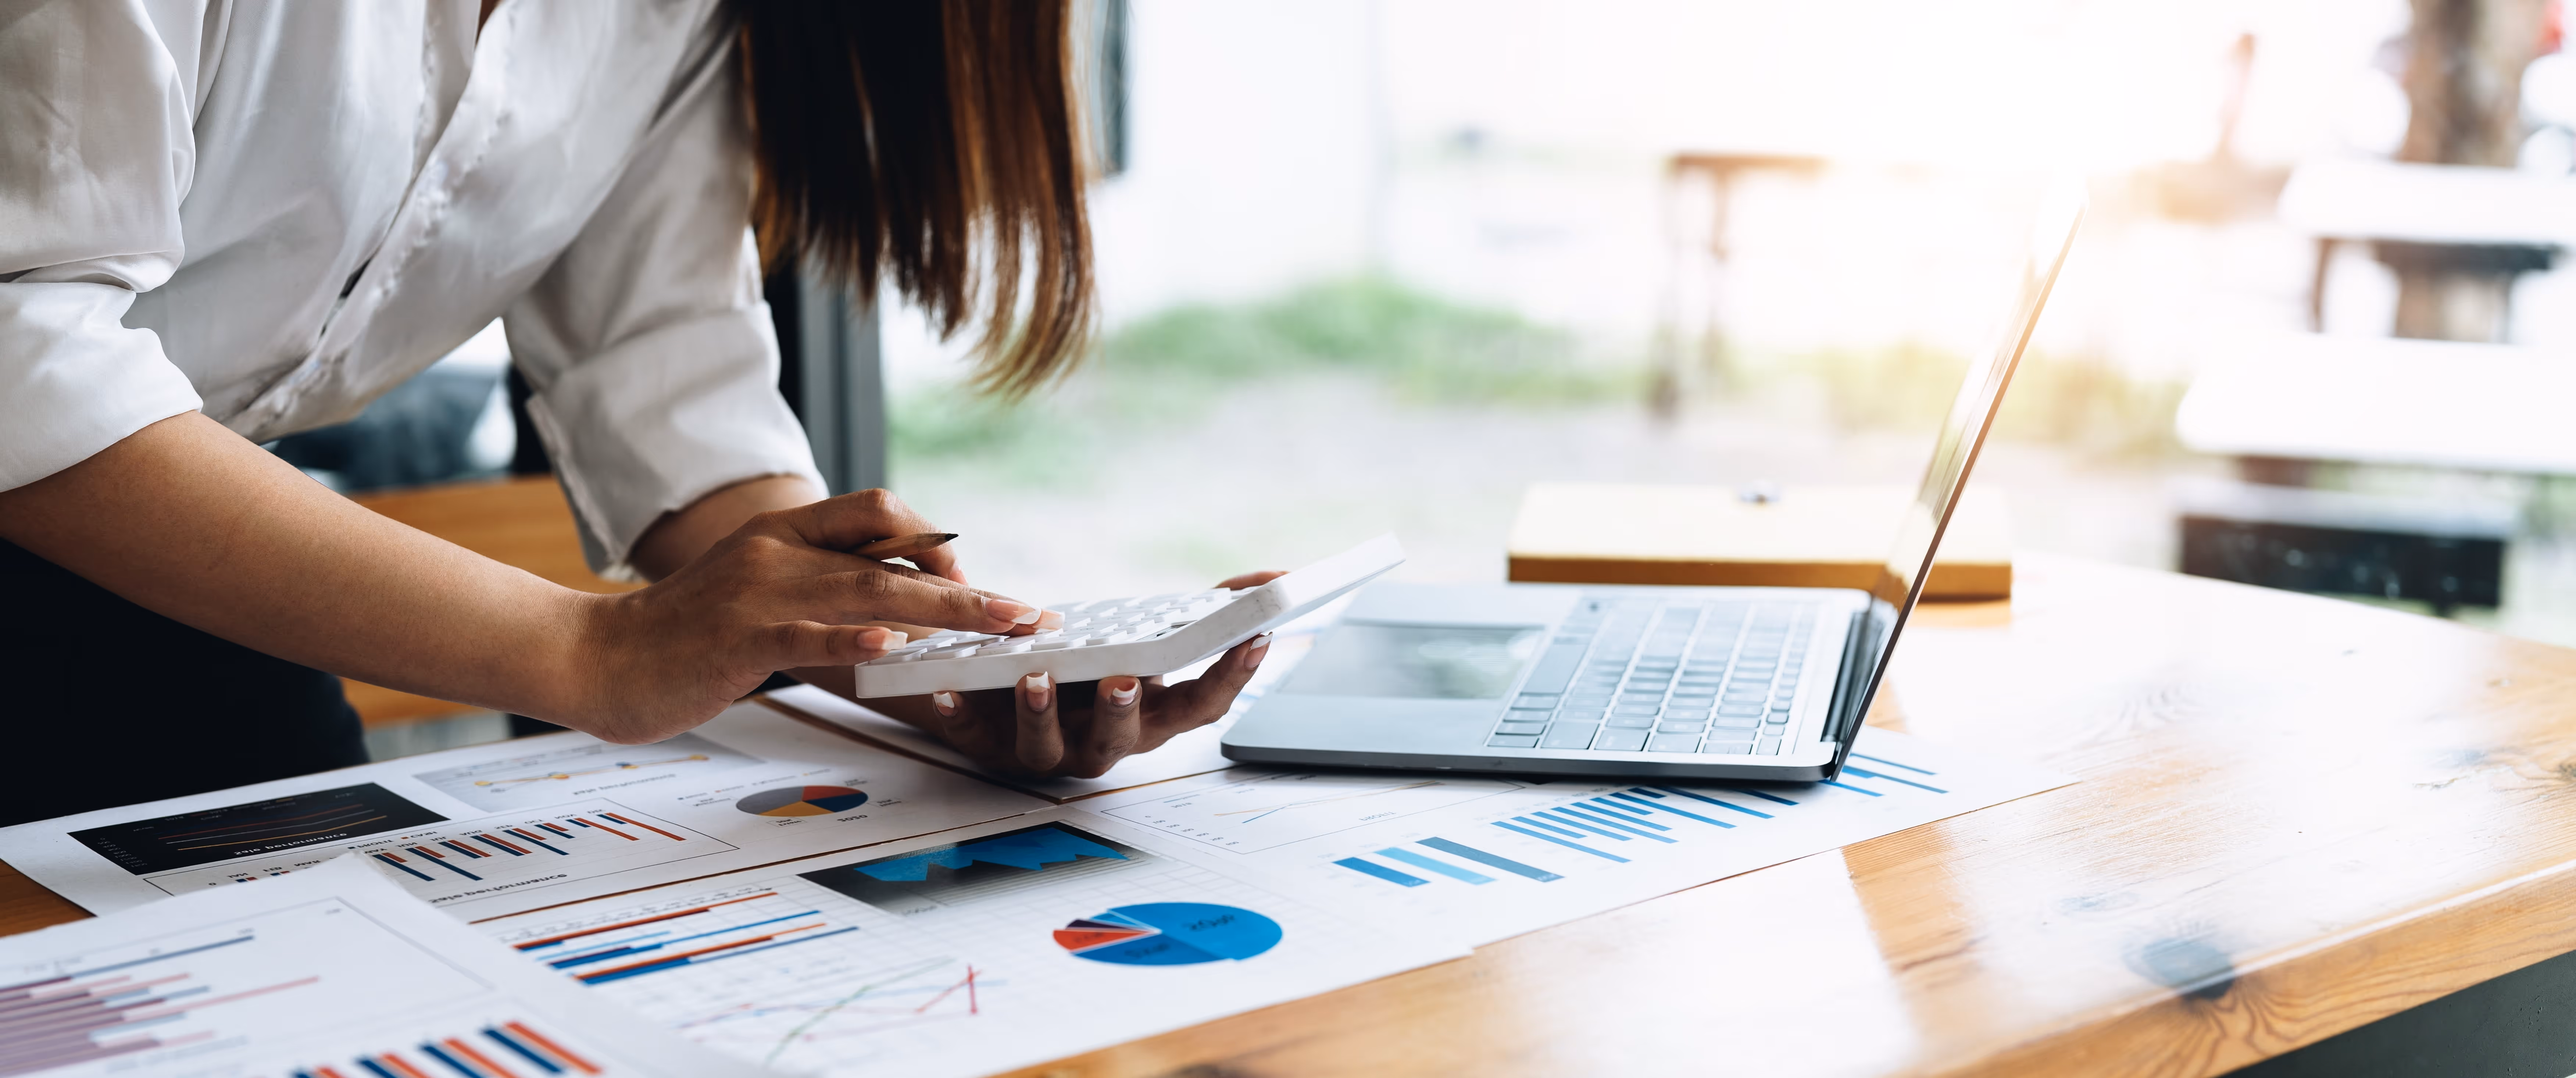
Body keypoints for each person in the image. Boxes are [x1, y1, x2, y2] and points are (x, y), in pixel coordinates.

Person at [0, 0, 1274, 827]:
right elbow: (23, 341)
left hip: (162, 574)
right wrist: (591, 652)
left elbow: (662, 368)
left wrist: (935, 668)